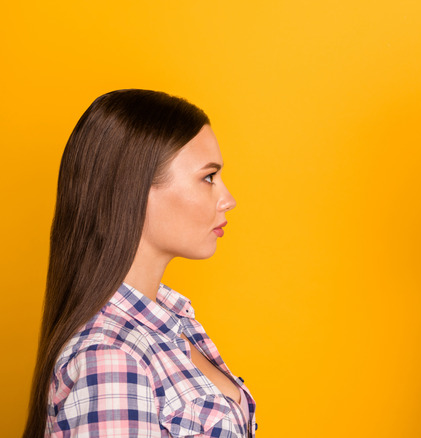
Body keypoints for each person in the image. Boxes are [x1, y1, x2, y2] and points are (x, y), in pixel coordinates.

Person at [24, 89, 256, 437]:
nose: (228, 200)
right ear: (134, 188)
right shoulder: (110, 359)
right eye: (208, 177)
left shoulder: (174, 322)